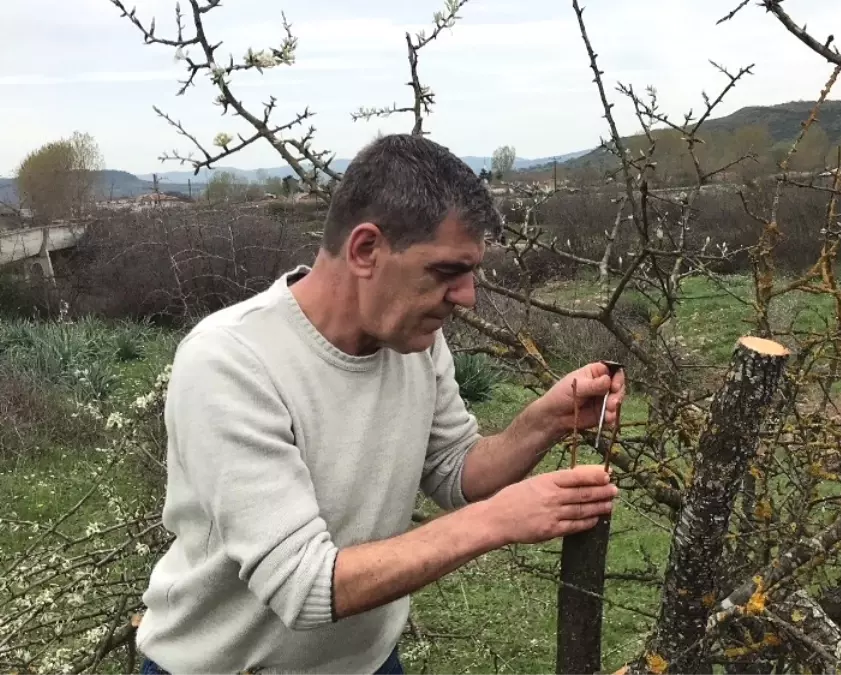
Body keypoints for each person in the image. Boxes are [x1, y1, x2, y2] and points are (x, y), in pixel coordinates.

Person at [135, 134, 624, 674]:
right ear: (366, 250)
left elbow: (455, 469)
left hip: (368, 661)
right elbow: (304, 584)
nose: (467, 297)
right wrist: (499, 521)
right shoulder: (231, 361)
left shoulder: (412, 340)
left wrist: (545, 421)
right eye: (446, 272)